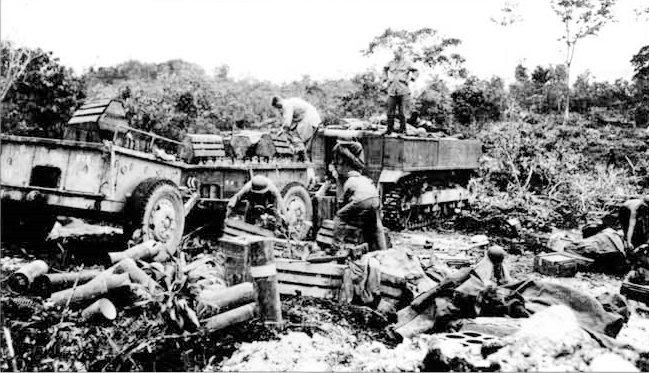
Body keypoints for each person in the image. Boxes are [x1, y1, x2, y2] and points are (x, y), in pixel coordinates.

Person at [332, 141, 387, 252]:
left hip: (363, 200)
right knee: (376, 225)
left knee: (340, 216)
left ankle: (336, 247)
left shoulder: (350, 181)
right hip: (375, 199)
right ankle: (383, 251)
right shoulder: (366, 179)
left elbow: (344, 202)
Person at [271, 96, 322, 160]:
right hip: (310, 118)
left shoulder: (287, 105)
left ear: (278, 103)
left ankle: (303, 159)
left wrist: (281, 131)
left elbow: (287, 123)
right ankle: (303, 158)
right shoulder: (290, 102)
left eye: (277, 107)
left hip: (310, 119)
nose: (278, 110)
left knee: (300, 141)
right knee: (301, 141)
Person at [383, 47, 419, 135]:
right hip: (392, 90)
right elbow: (384, 69)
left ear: (401, 52)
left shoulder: (407, 63)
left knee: (402, 112)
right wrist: (385, 79)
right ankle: (389, 130)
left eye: (396, 53)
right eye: (394, 53)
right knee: (390, 112)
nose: (394, 54)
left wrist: (411, 78)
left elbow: (416, 71)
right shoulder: (391, 63)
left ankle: (402, 130)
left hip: (403, 90)